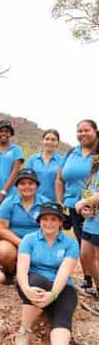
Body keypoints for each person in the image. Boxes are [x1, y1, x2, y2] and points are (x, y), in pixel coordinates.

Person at [14, 202, 81, 345]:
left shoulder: (71, 243)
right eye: (44, 219)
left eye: (53, 219)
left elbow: (64, 272)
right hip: (32, 284)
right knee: (38, 281)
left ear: (60, 221)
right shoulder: (29, 239)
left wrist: (53, 295)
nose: (48, 223)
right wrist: (26, 289)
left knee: (64, 311)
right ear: (39, 221)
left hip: (59, 287)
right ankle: (24, 330)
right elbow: (21, 269)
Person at [56, 119, 97, 290]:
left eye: (86, 130)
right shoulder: (72, 152)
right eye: (79, 131)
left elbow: (94, 183)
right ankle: (88, 279)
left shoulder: (97, 155)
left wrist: (89, 203)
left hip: (93, 208)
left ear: (95, 131)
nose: (82, 134)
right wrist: (60, 202)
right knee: (83, 245)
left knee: (94, 249)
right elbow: (59, 178)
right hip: (73, 205)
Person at [0, 169, 49, 283]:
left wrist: (35, 244)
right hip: (15, 242)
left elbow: (52, 228)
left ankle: (34, 270)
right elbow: (1, 228)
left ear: (36, 185)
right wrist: (21, 243)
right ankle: (10, 269)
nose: (27, 187)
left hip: (38, 242)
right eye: (22, 183)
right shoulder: (9, 202)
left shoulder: (45, 203)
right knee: (2, 251)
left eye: (31, 183)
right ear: (17, 186)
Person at [75, 150, 99, 313]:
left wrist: (85, 201)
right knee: (85, 256)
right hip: (91, 222)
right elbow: (90, 193)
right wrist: (86, 208)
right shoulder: (94, 172)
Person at [26, 129, 63, 202]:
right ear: (42, 141)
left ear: (58, 143)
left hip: (54, 203)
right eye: (47, 139)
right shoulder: (32, 159)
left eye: (53, 140)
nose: (50, 142)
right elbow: (26, 180)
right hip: (34, 201)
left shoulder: (62, 161)